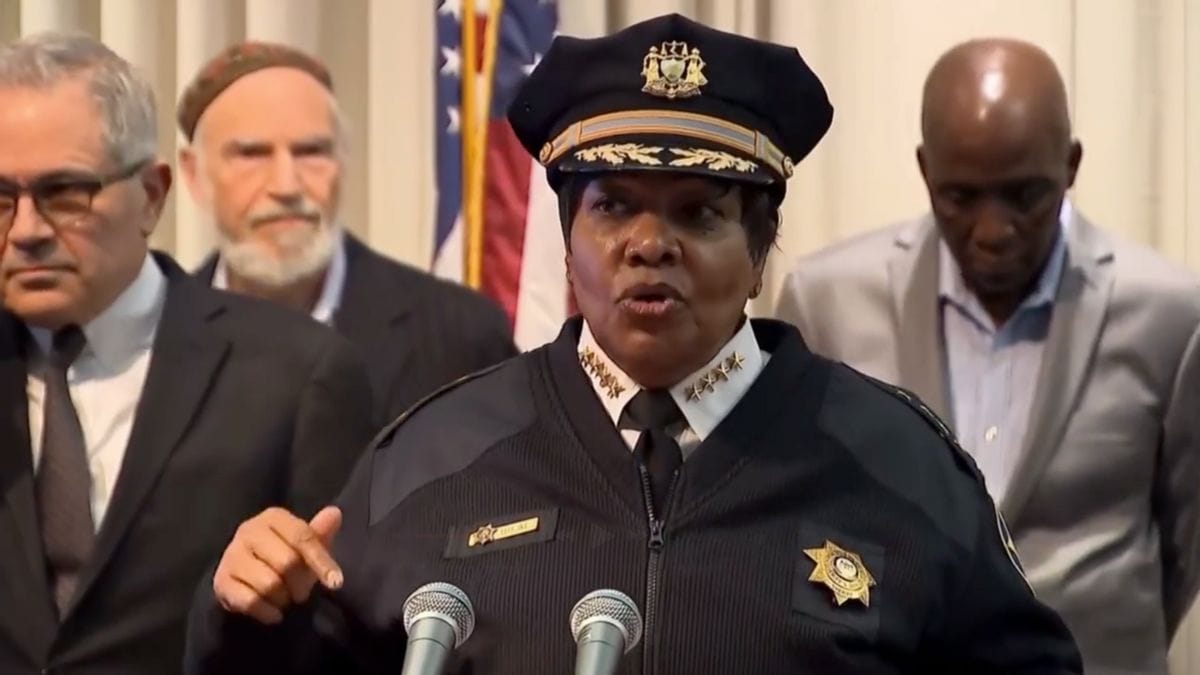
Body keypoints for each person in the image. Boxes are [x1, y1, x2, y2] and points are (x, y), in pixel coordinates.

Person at [184, 16, 1082, 674]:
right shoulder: (434, 454)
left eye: (700, 211)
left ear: (761, 248)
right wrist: (244, 611)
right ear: (567, 235)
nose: (651, 245)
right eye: (613, 204)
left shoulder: (895, 464)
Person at [775, 38, 1200, 674]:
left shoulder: (1173, 314)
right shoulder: (826, 301)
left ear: (1072, 165)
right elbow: (790, 504)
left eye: (1025, 196)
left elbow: (1185, 541)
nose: (993, 231)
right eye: (960, 197)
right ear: (925, 170)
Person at [0, 33, 376, 674]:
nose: (28, 230)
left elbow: (345, 632)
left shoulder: (296, 373)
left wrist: (243, 608)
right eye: (1, 200)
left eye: (64, 194)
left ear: (151, 195)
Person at [178, 42, 517, 422]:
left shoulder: (459, 337)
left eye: (311, 152)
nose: (287, 186)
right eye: (252, 155)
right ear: (193, 175)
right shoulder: (156, 344)